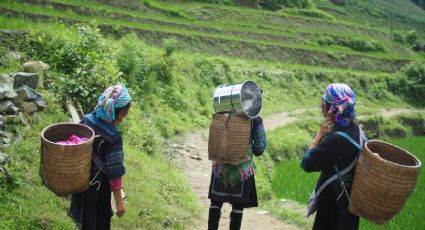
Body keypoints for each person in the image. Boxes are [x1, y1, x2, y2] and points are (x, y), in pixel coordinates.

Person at [301, 83, 364, 230]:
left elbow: (307, 163)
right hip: (351, 203)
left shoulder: (335, 139)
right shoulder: (357, 130)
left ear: (325, 107)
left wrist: (319, 136)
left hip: (333, 203)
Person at [69, 84, 131, 230]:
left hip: (80, 184)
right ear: (120, 113)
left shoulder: (86, 121)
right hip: (97, 190)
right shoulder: (113, 139)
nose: (124, 117)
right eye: (125, 113)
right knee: (97, 223)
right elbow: (115, 173)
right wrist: (119, 202)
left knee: (83, 222)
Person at [208, 116, 267, 230]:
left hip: (220, 168)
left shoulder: (221, 114)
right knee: (238, 206)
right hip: (241, 171)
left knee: (215, 203)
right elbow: (260, 148)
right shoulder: (255, 119)